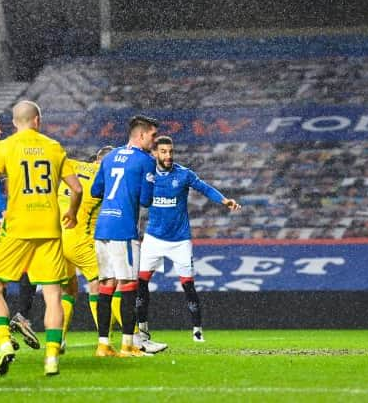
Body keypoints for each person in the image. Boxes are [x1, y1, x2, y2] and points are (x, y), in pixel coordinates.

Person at [0, 100, 82, 376]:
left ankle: (4, 341)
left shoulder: (5, 148)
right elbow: (76, 189)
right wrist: (73, 214)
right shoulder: (53, 147)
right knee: (53, 294)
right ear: (38, 121)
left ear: (16, 123)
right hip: (49, 229)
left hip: (16, 228)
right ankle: (52, 356)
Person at [136, 136, 241, 348]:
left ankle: (197, 331)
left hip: (180, 240)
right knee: (141, 283)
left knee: (188, 285)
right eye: (163, 152)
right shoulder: (147, 176)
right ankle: (143, 329)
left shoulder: (183, 174)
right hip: (153, 238)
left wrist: (224, 200)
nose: (168, 156)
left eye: (170, 151)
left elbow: (205, 188)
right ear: (155, 153)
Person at [91, 115, 158, 357]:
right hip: (123, 229)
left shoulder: (109, 157)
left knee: (106, 285)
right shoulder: (145, 161)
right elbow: (146, 200)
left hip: (102, 228)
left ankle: (103, 345)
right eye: (152, 135)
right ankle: (129, 345)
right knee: (129, 285)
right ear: (141, 135)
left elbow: (95, 190)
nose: (154, 140)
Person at [56, 145, 113, 352]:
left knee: (68, 289)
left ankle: (58, 339)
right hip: (80, 239)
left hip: (56, 238)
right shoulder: (107, 177)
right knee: (103, 283)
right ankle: (106, 340)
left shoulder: (72, 164)